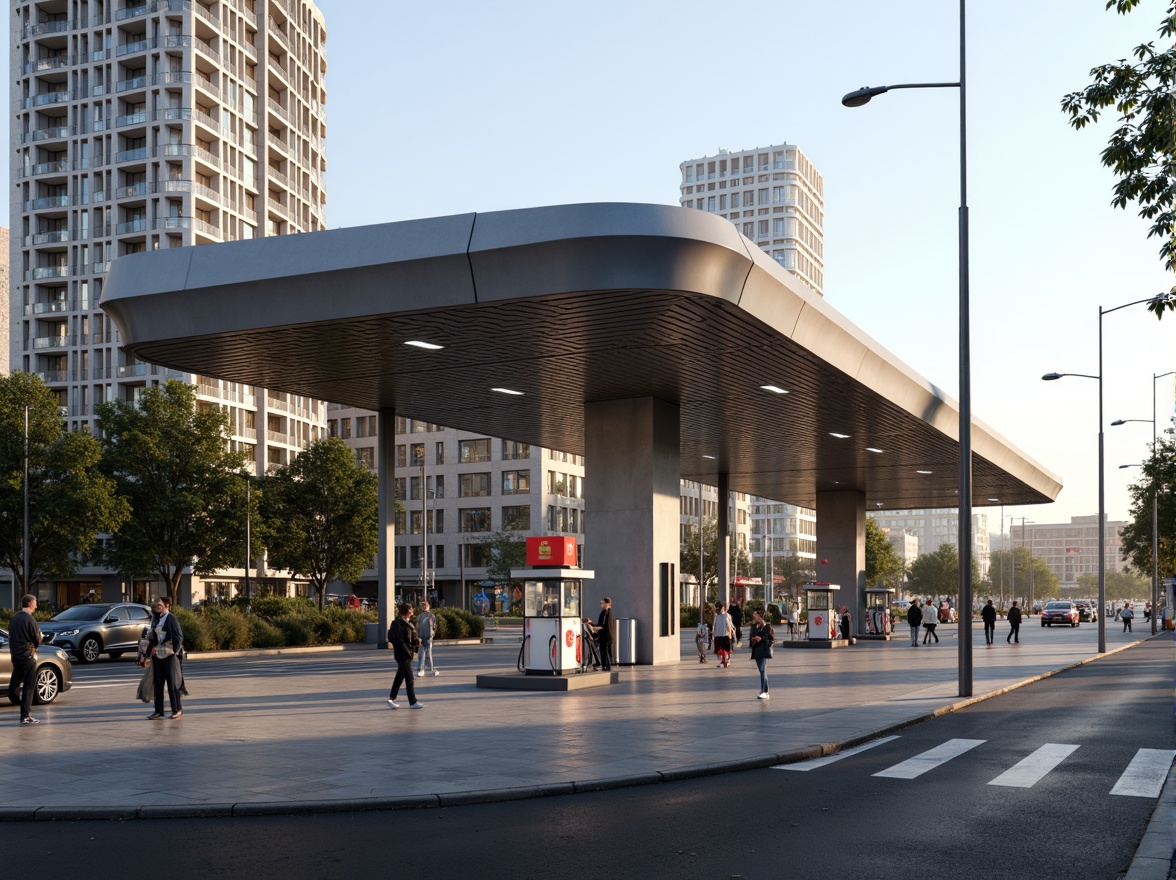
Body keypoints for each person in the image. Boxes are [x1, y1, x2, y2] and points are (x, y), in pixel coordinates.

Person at [7, 594, 43, 725]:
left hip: (16, 656)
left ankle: (17, 700)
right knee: (29, 686)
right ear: (30, 604)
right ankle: (26, 715)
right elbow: (36, 639)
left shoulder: (14, 618)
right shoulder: (30, 620)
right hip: (28, 656)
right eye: (35, 603)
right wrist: (39, 640)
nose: (36, 606)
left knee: (14, 684)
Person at [147, 596, 184, 719]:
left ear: (167, 605)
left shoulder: (170, 618)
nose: (157, 606)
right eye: (156, 605)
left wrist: (174, 651)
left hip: (169, 656)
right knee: (158, 684)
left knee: (172, 683)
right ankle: (159, 711)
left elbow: (178, 636)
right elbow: (151, 636)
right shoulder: (155, 619)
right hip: (157, 655)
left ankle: (177, 709)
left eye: (159, 604)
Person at [387, 602, 423, 709]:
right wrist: (404, 647)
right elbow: (393, 638)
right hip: (403, 655)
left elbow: (410, 638)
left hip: (408, 654)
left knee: (400, 677)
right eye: (411, 608)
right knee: (410, 678)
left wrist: (416, 643)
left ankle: (391, 698)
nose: (413, 610)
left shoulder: (408, 623)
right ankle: (413, 702)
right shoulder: (397, 623)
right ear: (407, 611)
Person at [749, 609, 775, 700]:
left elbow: (771, 639)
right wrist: (753, 639)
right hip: (756, 651)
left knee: (763, 671)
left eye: (755, 614)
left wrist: (762, 639)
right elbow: (750, 637)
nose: (754, 616)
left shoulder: (767, 626)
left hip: (764, 651)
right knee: (761, 671)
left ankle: (764, 691)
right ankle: (766, 691)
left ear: (760, 615)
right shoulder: (753, 626)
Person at [591, 597, 616, 671]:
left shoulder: (605, 613)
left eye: (602, 603)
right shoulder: (610, 613)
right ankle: (606, 666)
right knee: (606, 651)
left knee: (604, 651)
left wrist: (594, 628)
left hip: (605, 636)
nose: (601, 604)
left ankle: (604, 666)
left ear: (606, 604)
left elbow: (602, 625)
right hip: (609, 636)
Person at [415, 600, 439, 676]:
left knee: (428, 654)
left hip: (428, 638)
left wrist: (431, 636)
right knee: (421, 654)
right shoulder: (420, 616)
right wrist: (417, 636)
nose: (424, 607)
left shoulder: (431, 616)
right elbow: (417, 626)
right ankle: (422, 669)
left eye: (425, 605)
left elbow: (433, 627)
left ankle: (430, 669)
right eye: (422, 606)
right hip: (421, 638)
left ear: (428, 606)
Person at [712, 601, 734, 667]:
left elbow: (729, 624)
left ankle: (727, 661)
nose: (718, 610)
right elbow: (714, 625)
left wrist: (731, 631)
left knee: (726, 649)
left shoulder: (726, 615)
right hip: (718, 634)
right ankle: (723, 660)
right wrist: (713, 633)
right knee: (720, 649)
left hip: (725, 634)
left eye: (719, 608)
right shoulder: (716, 616)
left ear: (723, 607)